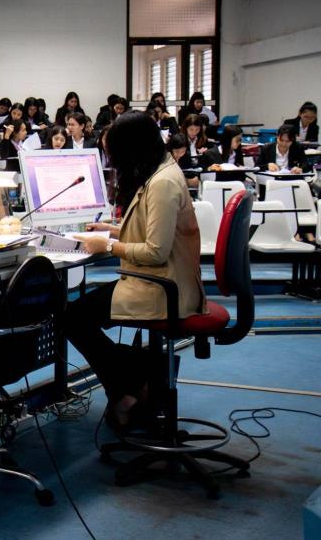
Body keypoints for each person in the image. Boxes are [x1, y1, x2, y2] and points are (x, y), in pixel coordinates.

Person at [70, 112, 204, 431]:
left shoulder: (162, 184)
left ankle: (132, 387)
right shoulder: (163, 170)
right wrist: (114, 230)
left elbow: (155, 251)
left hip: (164, 287)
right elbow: (153, 232)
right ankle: (140, 381)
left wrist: (107, 246)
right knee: (78, 315)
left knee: (72, 319)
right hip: (166, 280)